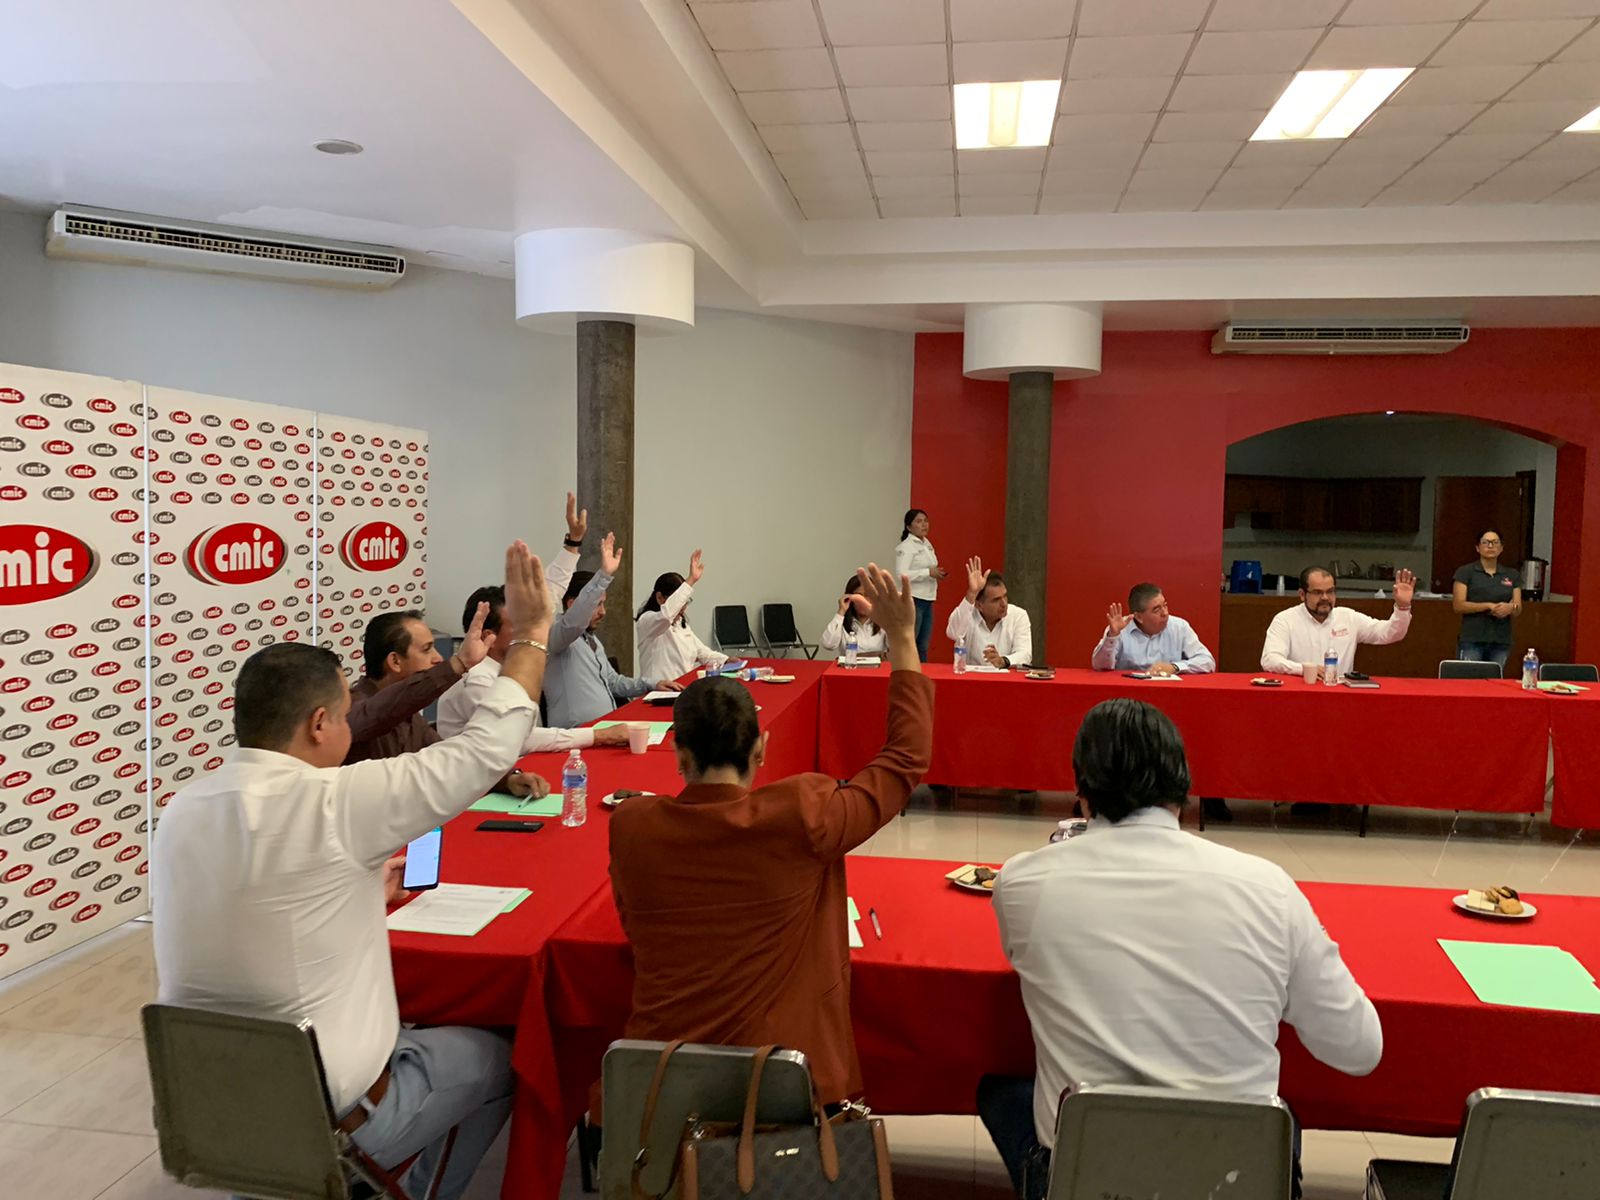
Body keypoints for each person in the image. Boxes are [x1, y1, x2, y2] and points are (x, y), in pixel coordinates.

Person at [153, 542, 556, 1200]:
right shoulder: (334, 802)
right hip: (333, 1119)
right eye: (344, 716)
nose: (350, 729)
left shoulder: (181, 811)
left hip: (208, 1113)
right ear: (319, 724)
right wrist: (534, 632)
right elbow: (485, 750)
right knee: (508, 1057)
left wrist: (358, 886)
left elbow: (259, 901)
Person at [981, 699, 1382, 1200]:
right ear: (1183, 787)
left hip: (1088, 1178)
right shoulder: (1269, 887)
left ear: (1080, 792)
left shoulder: (1022, 883)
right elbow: (1360, 1049)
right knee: (1282, 1122)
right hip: (1234, 1181)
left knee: (1000, 1092)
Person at [607, 562, 931, 1109]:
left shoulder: (631, 826)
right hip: (780, 1088)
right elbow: (904, 761)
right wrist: (903, 638)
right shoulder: (802, 815)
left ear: (678, 755)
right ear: (762, 750)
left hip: (660, 1091)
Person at [350, 606, 541, 797]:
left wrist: (509, 779)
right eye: (426, 650)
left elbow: (449, 762)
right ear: (395, 662)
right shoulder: (354, 710)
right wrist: (459, 663)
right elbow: (385, 710)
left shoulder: (411, 715)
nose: (438, 658)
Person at [437, 585, 630, 751]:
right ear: (489, 637)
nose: (528, 633)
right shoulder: (477, 679)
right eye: (517, 626)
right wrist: (596, 735)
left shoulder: (506, 669)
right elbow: (519, 737)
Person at [544, 532, 683, 727]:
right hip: (576, 734)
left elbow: (613, 682)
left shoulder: (591, 639)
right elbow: (575, 620)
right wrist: (603, 575)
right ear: (573, 604)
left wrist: (653, 684)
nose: (603, 612)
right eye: (597, 604)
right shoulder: (558, 635)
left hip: (605, 727)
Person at [1260, 566, 1415, 677]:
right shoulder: (1285, 620)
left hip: (1340, 696)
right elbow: (1269, 660)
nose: (1325, 598)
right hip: (1298, 695)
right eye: (1317, 592)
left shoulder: (1348, 617)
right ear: (1302, 594)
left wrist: (1403, 607)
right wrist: (1304, 670)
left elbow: (1390, 634)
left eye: (1330, 592)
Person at [635, 550, 729, 680]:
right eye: (679, 603)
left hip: (682, 687)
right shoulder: (647, 621)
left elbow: (702, 653)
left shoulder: (681, 624)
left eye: (685, 603)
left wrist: (726, 660)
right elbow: (666, 616)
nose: (682, 608)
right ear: (660, 597)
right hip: (658, 690)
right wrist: (691, 580)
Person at [1090, 583, 1216, 676]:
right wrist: (1112, 636)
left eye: (1165, 605)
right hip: (1128, 694)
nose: (1165, 613)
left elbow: (1207, 661)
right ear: (1139, 617)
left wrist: (1175, 667)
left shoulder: (1179, 627)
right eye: (1157, 610)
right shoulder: (1120, 628)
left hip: (1168, 692)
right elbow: (1100, 666)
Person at [1452, 532, 1522, 674]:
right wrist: (1488, 606)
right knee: (1469, 680)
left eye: (1495, 542)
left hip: (1501, 639)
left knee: (1495, 680)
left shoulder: (1512, 575)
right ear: (1477, 548)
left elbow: (1518, 608)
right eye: (1485, 542)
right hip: (1472, 638)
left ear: (1501, 548)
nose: (1491, 546)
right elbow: (1458, 605)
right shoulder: (1465, 572)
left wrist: (1510, 608)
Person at [946, 556, 1032, 668]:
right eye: (996, 600)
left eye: (1005, 596)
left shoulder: (1018, 615)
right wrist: (972, 593)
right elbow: (953, 633)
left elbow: (1025, 654)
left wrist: (1003, 661)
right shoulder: (968, 613)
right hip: (972, 677)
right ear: (979, 605)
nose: (1004, 603)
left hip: (1004, 677)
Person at [894, 508, 945, 661]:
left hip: (928, 599)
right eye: (918, 521)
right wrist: (927, 572)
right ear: (909, 527)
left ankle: (921, 672)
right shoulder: (906, 547)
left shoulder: (926, 543)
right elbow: (901, 574)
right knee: (910, 643)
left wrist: (936, 573)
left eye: (926, 521)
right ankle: (907, 671)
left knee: (923, 645)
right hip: (913, 599)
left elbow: (928, 567)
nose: (924, 524)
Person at [818, 576, 888, 658]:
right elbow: (828, 645)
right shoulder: (841, 621)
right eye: (859, 596)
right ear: (850, 598)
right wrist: (841, 611)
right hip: (850, 665)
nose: (863, 600)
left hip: (878, 666)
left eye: (868, 595)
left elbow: (895, 646)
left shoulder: (882, 620)